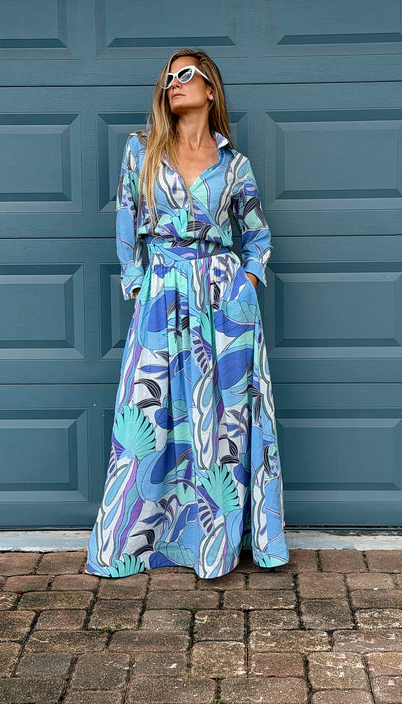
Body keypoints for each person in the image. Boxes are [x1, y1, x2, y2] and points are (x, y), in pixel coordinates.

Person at [85, 48, 289, 580]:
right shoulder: (142, 150)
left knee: (221, 419)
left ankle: (214, 543)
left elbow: (257, 235)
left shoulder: (234, 166)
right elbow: (126, 223)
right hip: (162, 293)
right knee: (148, 414)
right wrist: (139, 286)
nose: (174, 83)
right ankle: (133, 545)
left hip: (224, 304)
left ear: (210, 90)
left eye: (186, 75)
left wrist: (246, 282)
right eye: (168, 77)